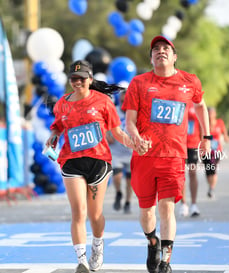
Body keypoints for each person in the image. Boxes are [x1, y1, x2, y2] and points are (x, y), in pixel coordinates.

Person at [45, 60, 150, 273]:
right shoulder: (62, 103)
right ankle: (81, 261)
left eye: (81, 78)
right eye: (73, 78)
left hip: (99, 163)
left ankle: (98, 245)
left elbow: (118, 132)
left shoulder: (103, 102)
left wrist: (135, 145)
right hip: (71, 162)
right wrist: (53, 136)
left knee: (94, 215)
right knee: (78, 211)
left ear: (90, 79)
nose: (77, 82)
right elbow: (58, 125)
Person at [122, 36, 211, 273]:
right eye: (156, 49)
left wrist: (207, 136)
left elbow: (201, 105)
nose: (160, 51)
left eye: (165, 49)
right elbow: (129, 121)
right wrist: (136, 138)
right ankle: (152, 242)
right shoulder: (139, 83)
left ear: (174, 56)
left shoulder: (189, 81)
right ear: (151, 58)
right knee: (147, 211)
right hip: (144, 156)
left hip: (173, 156)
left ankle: (165, 261)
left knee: (167, 207)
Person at [106, 91, 133, 214]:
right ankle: (118, 192)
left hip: (131, 151)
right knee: (116, 175)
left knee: (129, 180)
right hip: (116, 150)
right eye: (123, 95)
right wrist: (107, 136)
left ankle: (127, 202)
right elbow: (105, 125)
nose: (124, 97)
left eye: (127, 95)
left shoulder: (134, 111)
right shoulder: (114, 110)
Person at [179, 102, 201, 217]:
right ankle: (183, 204)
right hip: (179, 144)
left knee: (192, 172)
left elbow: (202, 124)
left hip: (193, 144)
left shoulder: (196, 104)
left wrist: (203, 142)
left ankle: (194, 204)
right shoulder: (179, 100)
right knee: (180, 174)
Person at [203, 107, 229, 199]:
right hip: (206, 150)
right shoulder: (204, 123)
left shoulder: (220, 123)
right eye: (208, 113)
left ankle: (212, 187)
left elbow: (224, 133)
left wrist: (226, 137)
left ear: (215, 114)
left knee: (213, 168)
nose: (210, 115)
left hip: (217, 151)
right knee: (208, 170)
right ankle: (210, 186)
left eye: (212, 113)